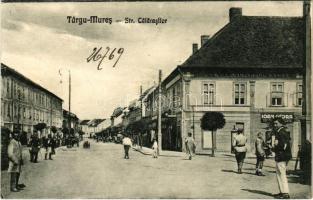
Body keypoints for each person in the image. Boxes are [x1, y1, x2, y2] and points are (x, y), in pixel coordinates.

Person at [272, 118, 292, 199]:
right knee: (279, 174)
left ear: (281, 123)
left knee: (282, 174)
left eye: (276, 123)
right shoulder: (280, 131)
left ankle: (285, 193)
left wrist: (274, 147)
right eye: (274, 123)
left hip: (282, 156)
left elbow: (284, 146)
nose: (275, 125)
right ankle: (282, 192)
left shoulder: (281, 132)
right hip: (281, 155)